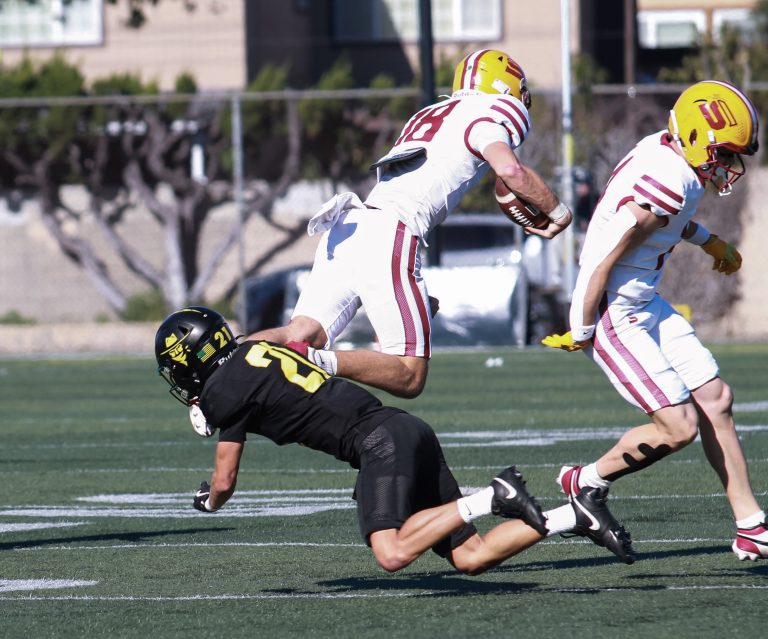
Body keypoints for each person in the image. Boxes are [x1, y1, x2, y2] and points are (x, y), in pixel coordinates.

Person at [155, 306, 635, 574]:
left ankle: (493, 496)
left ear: (189, 360)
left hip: (378, 444)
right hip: (405, 429)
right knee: (470, 558)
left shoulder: (224, 391)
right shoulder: (257, 347)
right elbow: (245, 351)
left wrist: (208, 503)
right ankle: (573, 513)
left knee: (392, 554)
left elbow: (225, 479)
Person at [252, 49, 572, 399]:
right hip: (391, 232)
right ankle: (314, 360)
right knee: (408, 374)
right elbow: (510, 171)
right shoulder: (493, 111)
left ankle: (212, 369)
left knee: (299, 331)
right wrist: (558, 213)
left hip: (349, 225)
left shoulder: (431, 113)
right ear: (504, 85)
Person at [542, 80, 767, 561]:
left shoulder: (672, 160)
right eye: (723, 153)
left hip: (642, 301)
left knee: (716, 398)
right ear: (693, 137)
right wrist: (582, 328)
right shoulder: (668, 178)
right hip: (612, 310)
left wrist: (710, 241)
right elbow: (603, 255)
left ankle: (750, 524)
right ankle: (584, 480)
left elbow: (671, 220)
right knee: (678, 426)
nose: (728, 167)